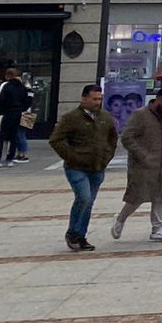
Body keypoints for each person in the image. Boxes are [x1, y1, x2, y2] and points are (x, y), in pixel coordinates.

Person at [50, 84, 117, 253]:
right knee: (84, 197)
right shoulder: (71, 118)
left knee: (89, 203)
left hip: (97, 167)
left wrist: (107, 156)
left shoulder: (105, 117)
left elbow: (112, 138)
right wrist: (72, 156)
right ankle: (72, 233)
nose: (97, 102)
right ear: (84, 98)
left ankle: (81, 235)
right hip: (77, 167)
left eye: (100, 99)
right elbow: (56, 140)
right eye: (94, 99)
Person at [113, 88, 162, 242]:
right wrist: (143, 155)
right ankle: (121, 219)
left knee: (160, 197)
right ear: (158, 99)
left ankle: (157, 228)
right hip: (142, 165)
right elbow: (127, 138)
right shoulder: (140, 115)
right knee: (137, 197)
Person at [0, 65, 34, 164]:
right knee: (18, 134)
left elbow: (0, 99)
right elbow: (29, 100)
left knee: (13, 135)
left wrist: (1, 111)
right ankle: (19, 154)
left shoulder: (6, 85)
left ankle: (21, 154)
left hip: (11, 113)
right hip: (25, 112)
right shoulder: (25, 87)